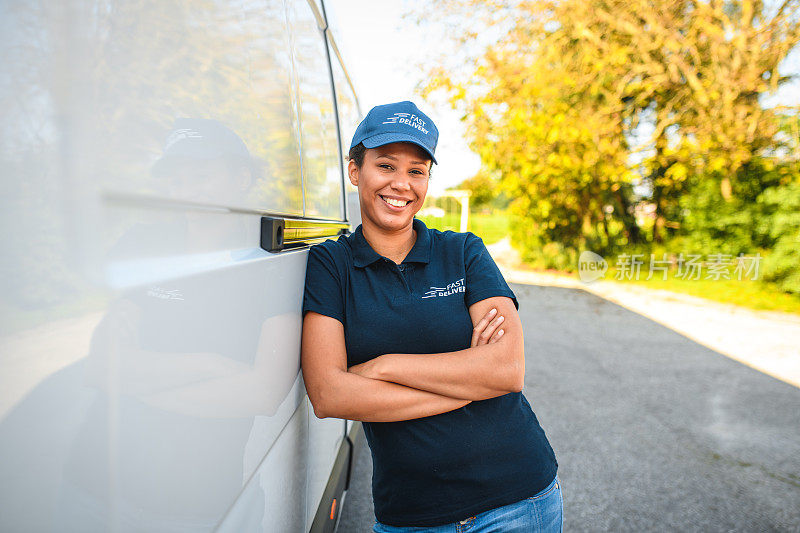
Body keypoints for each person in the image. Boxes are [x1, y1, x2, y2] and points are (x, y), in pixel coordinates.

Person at [301, 101, 561, 532]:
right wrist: (464, 387)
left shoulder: (463, 252)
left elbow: (507, 370)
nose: (401, 184)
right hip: (413, 516)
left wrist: (386, 366)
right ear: (355, 171)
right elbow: (330, 394)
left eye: (417, 171)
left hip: (518, 500)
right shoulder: (332, 265)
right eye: (386, 166)